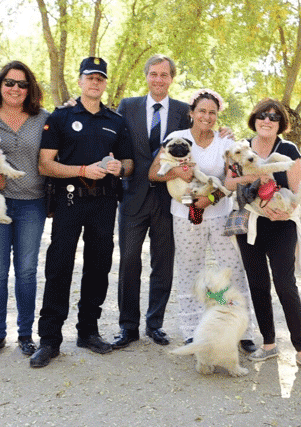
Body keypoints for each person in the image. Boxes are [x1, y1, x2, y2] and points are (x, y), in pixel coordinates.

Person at [30, 57, 133, 368]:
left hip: (104, 202)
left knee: (98, 266)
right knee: (59, 265)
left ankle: (88, 331)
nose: (95, 82)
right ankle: (49, 340)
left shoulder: (116, 120)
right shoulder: (61, 117)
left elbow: (128, 165)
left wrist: (119, 168)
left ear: (104, 84)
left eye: (100, 78)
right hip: (70, 199)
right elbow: (44, 164)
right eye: (90, 77)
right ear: (80, 81)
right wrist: (83, 170)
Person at [148, 88, 257, 352]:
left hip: (219, 214)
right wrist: (178, 173)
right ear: (192, 113)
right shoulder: (178, 138)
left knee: (233, 268)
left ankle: (244, 330)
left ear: (217, 115)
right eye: (202, 111)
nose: (207, 117)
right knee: (189, 270)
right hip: (186, 215)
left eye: (212, 112)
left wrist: (211, 199)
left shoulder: (224, 143)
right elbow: (154, 174)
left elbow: (233, 179)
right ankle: (191, 330)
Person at [112, 54, 191, 349]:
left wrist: (225, 133)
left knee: (163, 263)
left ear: (172, 78)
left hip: (169, 199)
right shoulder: (128, 106)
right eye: (154, 74)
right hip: (133, 197)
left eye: (164, 75)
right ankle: (128, 326)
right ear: (146, 76)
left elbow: (203, 133)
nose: (159, 79)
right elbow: (115, 139)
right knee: (129, 261)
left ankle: (154, 324)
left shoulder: (184, 111)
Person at [234, 98, 301, 374]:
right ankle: (269, 344)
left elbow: (296, 189)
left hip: (282, 224)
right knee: (258, 284)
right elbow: (228, 182)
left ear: (281, 123)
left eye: (273, 117)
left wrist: (286, 210)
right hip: (251, 224)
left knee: (285, 284)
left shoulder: (288, 149)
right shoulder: (241, 148)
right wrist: (253, 178)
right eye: (262, 115)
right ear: (254, 119)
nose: (267, 120)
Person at [0, 61, 51, 358]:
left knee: (26, 271)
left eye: (22, 84)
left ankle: (25, 334)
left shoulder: (43, 118)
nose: (15, 89)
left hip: (32, 204)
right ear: (0, 85)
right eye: (9, 83)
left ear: (30, 88)